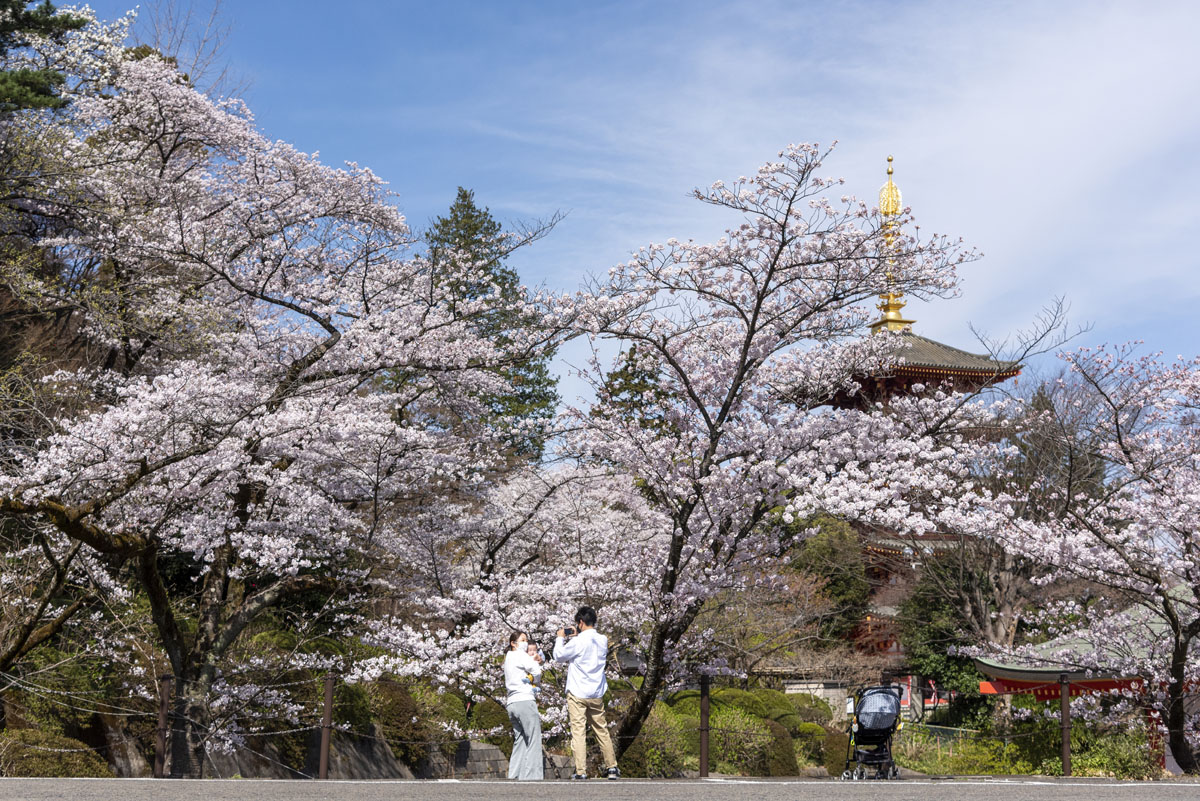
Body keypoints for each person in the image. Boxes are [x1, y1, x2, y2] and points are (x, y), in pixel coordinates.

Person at [553, 605, 619, 780]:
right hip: (596, 692)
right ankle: (612, 767)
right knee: (602, 730)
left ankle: (581, 771)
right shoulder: (603, 640)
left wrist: (561, 637)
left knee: (578, 732)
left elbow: (558, 655)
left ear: (580, 622)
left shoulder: (577, 641)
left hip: (577, 692)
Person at [503, 630, 544, 780]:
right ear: (513, 643)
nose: (526, 643)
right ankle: (532, 775)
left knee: (520, 738)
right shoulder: (521, 655)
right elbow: (537, 671)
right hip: (525, 700)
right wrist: (536, 662)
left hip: (511, 703)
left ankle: (515, 774)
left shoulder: (508, 658)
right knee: (533, 737)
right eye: (523, 640)